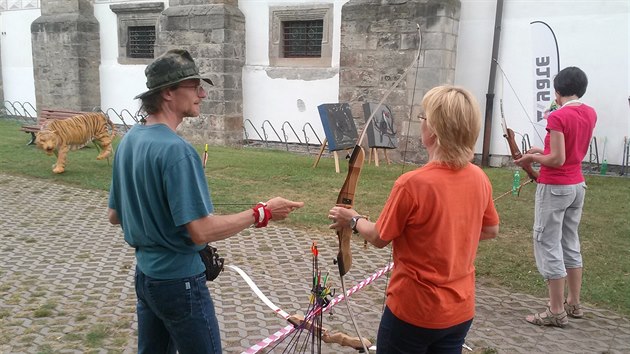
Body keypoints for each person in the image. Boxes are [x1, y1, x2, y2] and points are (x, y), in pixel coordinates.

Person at [107, 48, 304, 354]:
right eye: (194, 85)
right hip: (178, 283)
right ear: (168, 93)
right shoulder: (176, 151)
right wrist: (262, 211)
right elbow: (200, 231)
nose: (202, 94)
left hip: (146, 278)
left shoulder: (130, 139)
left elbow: (115, 215)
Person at [329, 85, 499, 353]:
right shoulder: (478, 176)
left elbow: (378, 237)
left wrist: (352, 218)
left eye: (423, 118)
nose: (421, 123)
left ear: (434, 130)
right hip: (459, 311)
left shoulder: (412, 184)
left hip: (414, 312)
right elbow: (490, 229)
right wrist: (447, 233)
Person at [516, 66, 597, 327]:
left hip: (556, 186)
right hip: (576, 186)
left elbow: (557, 159)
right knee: (569, 241)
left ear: (558, 91)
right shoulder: (589, 112)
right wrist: (543, 149)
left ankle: (555, 310)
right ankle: (573, 303)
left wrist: (531, 158)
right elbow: (567, 150)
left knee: (547, 241)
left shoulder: (558, 116)